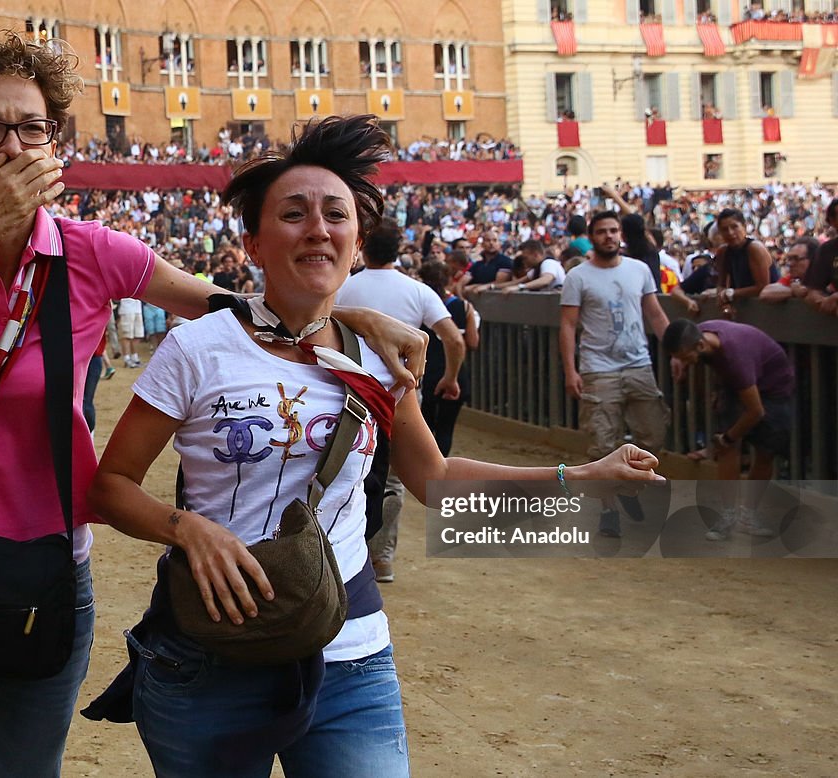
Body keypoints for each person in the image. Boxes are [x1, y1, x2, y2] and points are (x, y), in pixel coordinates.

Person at [0, 34, 424, 778]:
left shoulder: (93, 252)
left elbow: (246, 306)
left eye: (32, 127)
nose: (12, 146)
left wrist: (355, 311)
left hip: (50, 570)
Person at [86, 114, 663, 778]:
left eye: (336, 214)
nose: (318, 229)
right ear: (252, 242)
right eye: (293, 214)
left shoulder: (377, 358)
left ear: (357, 241)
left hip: (351, 657)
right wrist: (187, 530)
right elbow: (111, 484)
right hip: (213, 655)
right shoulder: (196, 347)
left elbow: (436, 481)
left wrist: (579, 477)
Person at [335, 216, 466, 582]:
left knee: (350, 472)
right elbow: (453, 339)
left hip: (345, 396)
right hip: (400, 394)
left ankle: (348, 554)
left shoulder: (344, 286)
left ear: (361, 245)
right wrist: (449, 377)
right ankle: (382, 557)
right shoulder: (418, 290)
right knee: (393, 480)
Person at [559, 210, 671, 538]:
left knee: (653, 434)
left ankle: (628, 490)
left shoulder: (639, 270)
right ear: (592, 237)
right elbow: (567, 325)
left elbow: (655, 313)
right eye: (602, 232)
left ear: (620, 234)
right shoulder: (578, 276)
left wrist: (675, 350)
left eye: (613, 230)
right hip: (598, 368)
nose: (609, 236)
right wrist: (571, 370)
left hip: (639, 364)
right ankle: (609, 509)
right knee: (602, 442)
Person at [663, 319, 793, 539]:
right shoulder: (700, 334)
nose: (686, 363)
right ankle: (728, 515)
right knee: (725, 449)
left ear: (700, 347)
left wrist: (729, 437)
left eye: (686, 358)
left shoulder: (736, 358)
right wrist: (680, 362)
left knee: (764, 452)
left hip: (773, 388)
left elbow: (756, 411)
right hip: (737, 385)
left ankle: (748, 515)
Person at [418, 260, 478, 455]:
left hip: (426, 372)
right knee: (446, 428)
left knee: (424, 427)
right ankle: (439, 471)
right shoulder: (464, 307)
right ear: (449, 280)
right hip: (455, 371)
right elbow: (473, 342)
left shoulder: (419, 303)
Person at [715, 207, 779, 310]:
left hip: (770, 307)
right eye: (725, 229)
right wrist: (722, 299)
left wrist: (732, 293)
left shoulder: (755, 248)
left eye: (734, 227)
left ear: (744, 227)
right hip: (743, 307)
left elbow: (762, 287)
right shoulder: (723, 252)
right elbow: (721, 284)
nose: (730, 233)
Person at [760, 237, 815, 302]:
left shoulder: (825, 279)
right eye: (789, 259)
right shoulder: (792, 279)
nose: (790, 264)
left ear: (813, 260)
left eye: (796, 259)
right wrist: (793, 291)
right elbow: (765, 293)